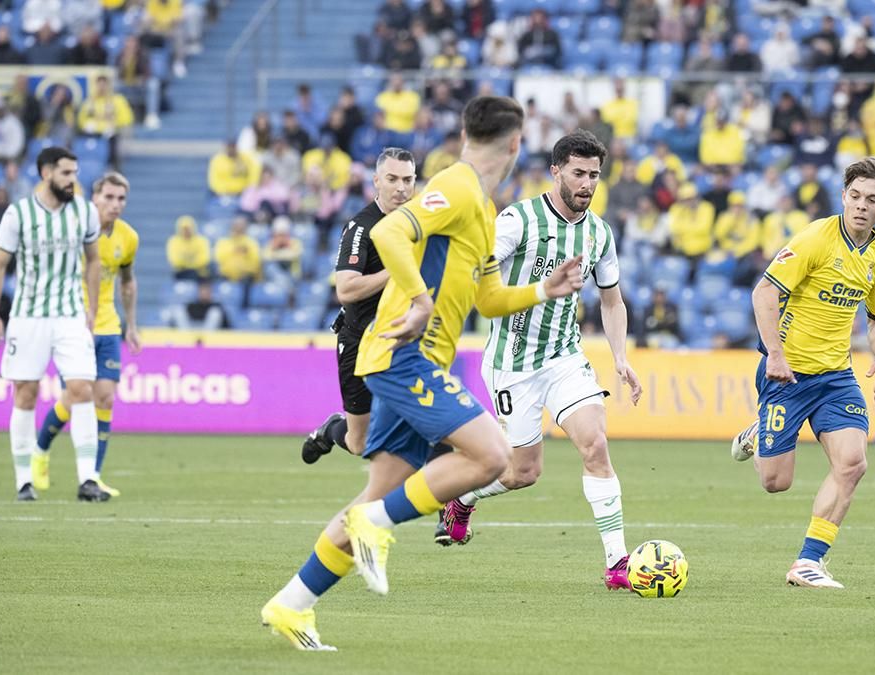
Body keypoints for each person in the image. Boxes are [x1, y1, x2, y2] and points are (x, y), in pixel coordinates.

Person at [260, 96, 585, 650]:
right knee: (492, 456)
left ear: (464, 130)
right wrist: (417, 298)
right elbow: (390, 234)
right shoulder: (456, 186)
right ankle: (375, 528)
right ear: (515, 144)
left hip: (417, 360)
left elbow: (486, 296)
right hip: (399, 356)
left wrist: (541, 290)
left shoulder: (481, 209)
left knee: (379, 492)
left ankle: (292, 604)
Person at [439, 130, 644, 589]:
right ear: (556, 171)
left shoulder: (598, 233)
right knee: (521, 473)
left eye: (594, 174)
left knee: (595, 444)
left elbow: (612, 301)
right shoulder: (519, 221)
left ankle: (617, 565)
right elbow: (477, 277)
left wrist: (620, 357)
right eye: (578, 173)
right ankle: (463, 497)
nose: (588, 183)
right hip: (513, 363)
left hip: (565, 357)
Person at [729, 156, 875, 589]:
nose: (861, 206)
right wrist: (776, 355)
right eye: (855, 196)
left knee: (853, 463)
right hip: (786, 375)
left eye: (872, 199)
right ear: (844, 196)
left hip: (835, 377)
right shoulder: (814, 239)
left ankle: (808, 562)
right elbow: (763, 292)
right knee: (775, 482)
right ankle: (756, 434)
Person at [0, 147, 109, 502]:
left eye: (75, 172)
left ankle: (88, 479)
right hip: (28, 317)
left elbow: (93, 260)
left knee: (82, 387)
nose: (73, 180)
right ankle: (24, 481)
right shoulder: (19, 214)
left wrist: (92, 307)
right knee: (26, 392)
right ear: (46, 173)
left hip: (70, 315)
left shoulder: (84, 212)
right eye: (66, 173)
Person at [33, 172, 140, 497]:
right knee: (77, 394)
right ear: (94, 198)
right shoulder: (73, 229)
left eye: (121, 198)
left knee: (104, 397)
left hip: (107, 325)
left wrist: (131, 325)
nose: (115, 204)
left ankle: (91, 477)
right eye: (108, 197)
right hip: (72, 323)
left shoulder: (128, 237)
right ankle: (39, 451)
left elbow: (127, 281)